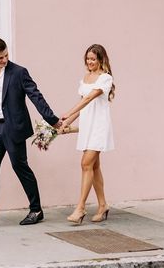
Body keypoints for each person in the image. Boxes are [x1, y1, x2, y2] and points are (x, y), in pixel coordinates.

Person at [0, 37, 62, 229]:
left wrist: (52, 119)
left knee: (20, 168)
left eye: (7, 55)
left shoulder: (19, 72)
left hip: (13, 129)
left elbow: (36, 96)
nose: (5, 60)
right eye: (1, 57)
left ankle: (36, 210)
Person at [59, 44, 115, 225]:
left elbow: (89, 98)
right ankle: (103, 205)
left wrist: (68, 111)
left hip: (98, 127)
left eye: (93, 59)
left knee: (85, 164)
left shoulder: (105, 78)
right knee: (94, 167)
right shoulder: (85, 78)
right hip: (87, 127)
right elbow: (83, 106)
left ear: (101, 60)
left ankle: (80, 208)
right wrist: (66, 123)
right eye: (88, 59)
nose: (90, 62)